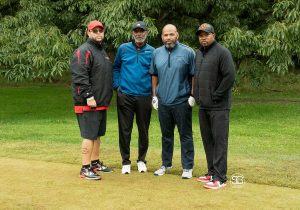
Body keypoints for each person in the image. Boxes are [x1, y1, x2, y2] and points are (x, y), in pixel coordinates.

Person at [150, 24, 196, 179]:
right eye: (165, 35)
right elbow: (154, 74)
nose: (168, 38)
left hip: (182, 101)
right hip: (163, 101)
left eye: (171, 34)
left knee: (185, 135)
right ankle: (166, 164)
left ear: (177, 35)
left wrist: (193, 95)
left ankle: (188, 167)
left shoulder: (188, 52)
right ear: (162, 37)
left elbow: (193, 75)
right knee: (166, 135)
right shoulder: (157, 53)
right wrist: (154, 95)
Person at [193, 23, 235, 189]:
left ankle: (220, 177)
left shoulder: (222, 52)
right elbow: (196, 76)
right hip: (204, 106)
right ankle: (211, 172)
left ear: (213, 35)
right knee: (208, 141)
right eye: (201, 35)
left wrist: (216, 95)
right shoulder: (198, 54)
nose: (203, 37)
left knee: (219, 141)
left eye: (206, 34)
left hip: (219, 106)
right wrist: (196, 95)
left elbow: (229, 77)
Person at [70, 20, 113, 180]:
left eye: (100, 31)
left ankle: (95, 163)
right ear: (88, 33)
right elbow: (79, 76)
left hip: (101, 102)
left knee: (97, 135)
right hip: (88, 102)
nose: (98, 33)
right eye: (94, 31)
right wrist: (88, 96)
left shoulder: (101, 51)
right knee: (89, 135)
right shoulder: (84, 50)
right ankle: (85, 168)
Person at [113, 21, 155, 174]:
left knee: (143, 130)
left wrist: (154, 92)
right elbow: (116, 67)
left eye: (141, 31)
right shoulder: (123, 49)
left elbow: (155, 73)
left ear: (146, 33)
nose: (139, 34)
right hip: (125, 95)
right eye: (136, 31)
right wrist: (117, 86)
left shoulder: (152, 51)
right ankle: (125, 161)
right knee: (125, 129)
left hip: (144, 96)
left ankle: (141, 160)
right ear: (132, 33)